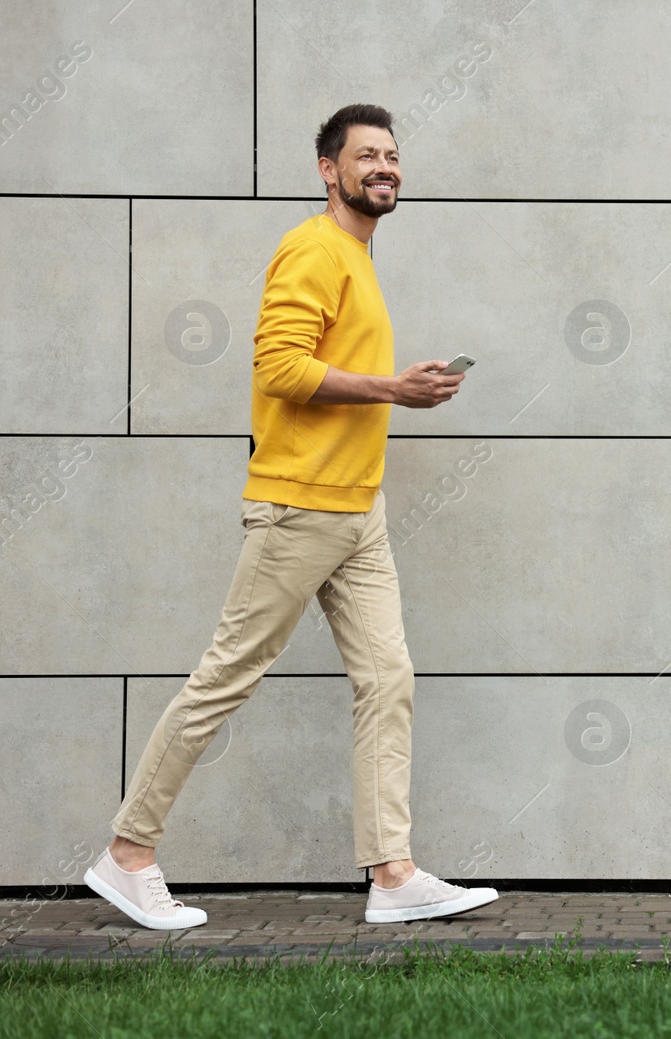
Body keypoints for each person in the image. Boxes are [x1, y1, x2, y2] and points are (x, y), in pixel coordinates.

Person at [83, 103, 497, 930]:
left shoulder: (356, 255)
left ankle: (392, 872)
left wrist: (394, 394)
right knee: (225, 676)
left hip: (356, 512)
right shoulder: (312, 248)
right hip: (299, 506)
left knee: (388, 680)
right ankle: (127, 855)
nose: (385, 167)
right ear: (328, 169)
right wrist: (392, 389)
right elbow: (278, 368)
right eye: (366, 156)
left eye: (392, 155)